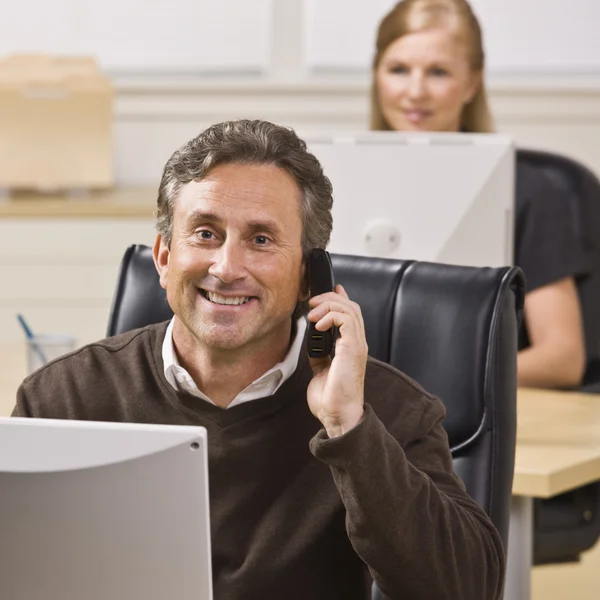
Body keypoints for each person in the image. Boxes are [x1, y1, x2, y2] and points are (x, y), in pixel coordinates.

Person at [13, 119, 505, 599]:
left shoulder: (386, 407)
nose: (226, 268)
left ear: (309, 275)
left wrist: (347, 427)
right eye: (205, 233)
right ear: (163, 258)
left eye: (261, 240)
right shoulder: (64, 398)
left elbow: (466, 589)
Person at [371, 0, 590, 389]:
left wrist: (431, 386)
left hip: (484, 419)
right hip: (363, 417)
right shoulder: (330, 184)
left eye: (438, 72)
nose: (415, 91)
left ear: (472, 83)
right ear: (377, 76)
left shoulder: (531, 190)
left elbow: (562, 358)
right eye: (399, 70)